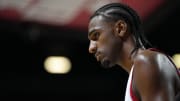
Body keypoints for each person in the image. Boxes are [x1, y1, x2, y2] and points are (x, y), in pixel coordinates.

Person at [87, 3, 180, 101]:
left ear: (120, 28)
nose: (91, 48)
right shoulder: (139, 69)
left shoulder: (146, 61)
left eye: (96, 35)